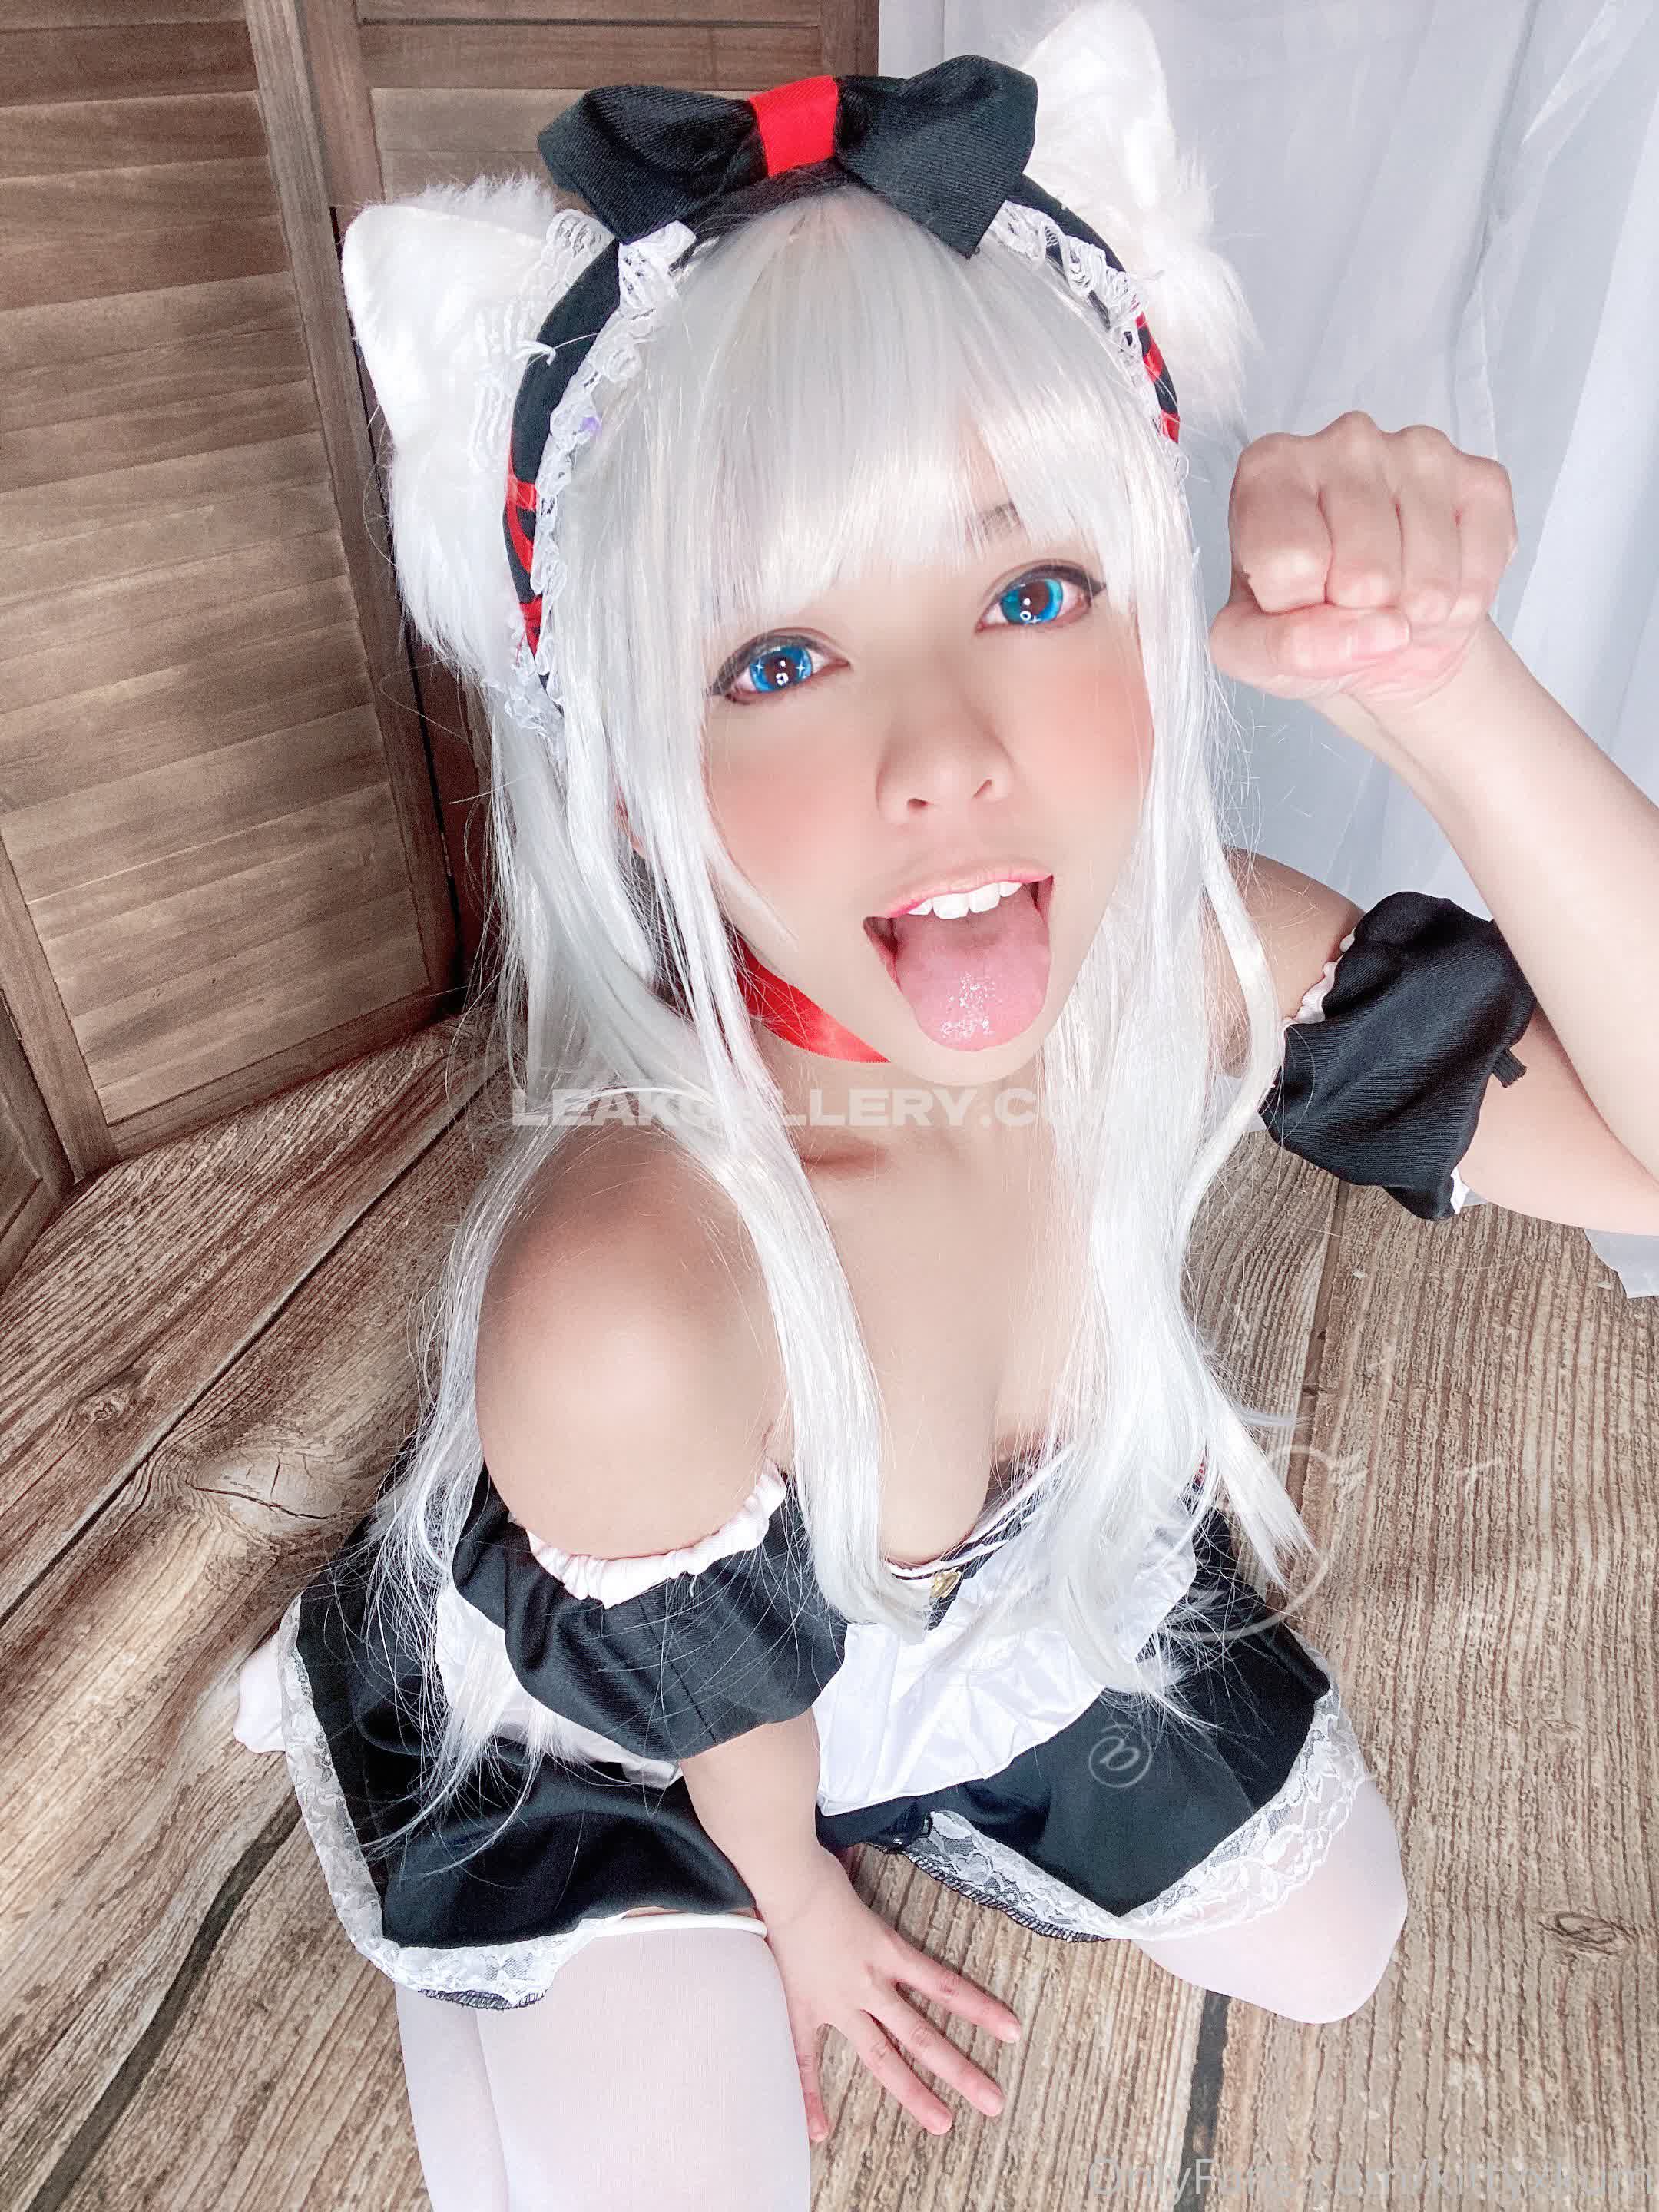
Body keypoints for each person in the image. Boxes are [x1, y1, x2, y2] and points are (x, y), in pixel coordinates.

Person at [232, 10, 1584, 2206]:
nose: (947, 752)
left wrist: (1447, 683)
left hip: (968, 1622)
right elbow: (731, 1707)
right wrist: (802, 1906)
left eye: (1032, 590)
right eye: (776, 657)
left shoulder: (1186, 966)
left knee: (1339, 1950)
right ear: (634, 768)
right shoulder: (632, 1297)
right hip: (663, 1723)